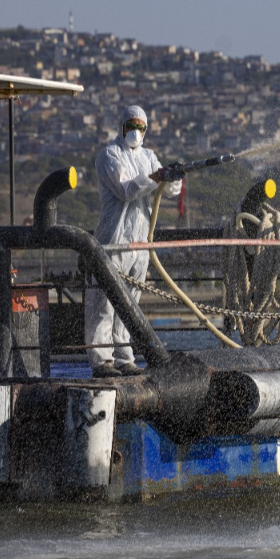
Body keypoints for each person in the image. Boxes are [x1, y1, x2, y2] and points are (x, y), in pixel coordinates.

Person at [84, 105, 183, 377]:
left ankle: (124, 357)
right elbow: (127, 190)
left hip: (140, 244)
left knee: (130, 303)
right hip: (113, 240)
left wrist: (174, 177)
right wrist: (157, 176)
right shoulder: (109, 155)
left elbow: (169, 189)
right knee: (104, 303)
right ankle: (101, 360)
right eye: (132, 125)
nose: (136, 131)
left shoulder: (149, 157)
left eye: (141, 127)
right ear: (122, 126)